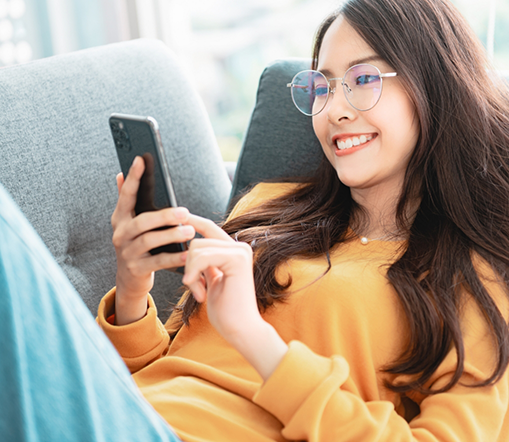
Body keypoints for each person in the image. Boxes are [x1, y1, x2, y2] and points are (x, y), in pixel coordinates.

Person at [1, 0, 508, 441]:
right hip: (126, 413)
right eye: (323, 87)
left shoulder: (472, 279)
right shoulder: (270, 207)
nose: (335, 110)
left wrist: (253, 334)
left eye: (364, 80)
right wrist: (133, 290)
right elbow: (170, 370)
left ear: (437, 84)